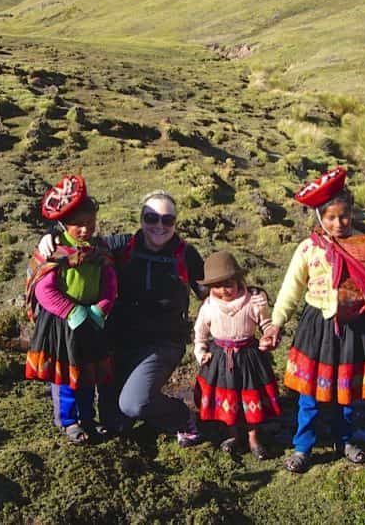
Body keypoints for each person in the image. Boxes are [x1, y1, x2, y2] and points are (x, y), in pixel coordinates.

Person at [263, 166, 365, 473]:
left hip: (354, 328)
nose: (339, 223)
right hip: (317, 327)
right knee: (309, 395)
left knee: (346, 393)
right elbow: (291, 289)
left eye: (344, 216)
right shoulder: (308, 249)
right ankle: (303, 446)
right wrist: (276, 323)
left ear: (352, 213)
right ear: (321, 217)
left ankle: (344, 439)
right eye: (331, 217)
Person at [97, 190, 206, 446]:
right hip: (120, 343)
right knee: (116, 424)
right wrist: (51, 236)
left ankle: (181, 415)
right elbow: (77, 242)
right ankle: (142, 404)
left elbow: (211, 292)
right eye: (151, 218)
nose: (159, 226)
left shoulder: (185, 254)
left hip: (163, 344)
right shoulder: (121, 246)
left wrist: (250, 302)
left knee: (134, 404)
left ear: (175, 222)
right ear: (141, 218)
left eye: (167, 220)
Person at [24, 175, 117, 444]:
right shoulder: (53, 250)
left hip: (92, 320)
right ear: (64, 224)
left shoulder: (100, 248)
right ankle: (68, 421)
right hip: (63, 324)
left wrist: (101, 309)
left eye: (90, 224)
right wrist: (71, 311)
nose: (86, 230)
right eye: (79, 225)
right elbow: (43, 288)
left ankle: (88, 418)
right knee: (65, 376)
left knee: (88, 373)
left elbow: (111, 280)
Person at [192, 250, 281, 459]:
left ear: (239, 280)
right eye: (216, 286)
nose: (223, 291)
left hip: (249, 357)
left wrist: (269, 336)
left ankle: (253, 438)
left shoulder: (253, 301)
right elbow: (200, 334)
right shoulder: (208, 307)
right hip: (220, 360)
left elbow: (267, 324)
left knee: (252, 400)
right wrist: (201, 351)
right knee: (228, 400)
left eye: (228, 284)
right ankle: (233, 435)